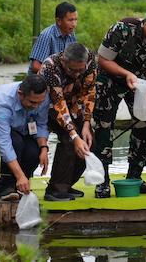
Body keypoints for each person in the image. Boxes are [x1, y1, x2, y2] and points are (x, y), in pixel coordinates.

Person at [92, 4, 146, 198]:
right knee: (104, 127)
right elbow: (103, 60)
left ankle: (134, 178)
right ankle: (101, 181)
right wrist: (126, 73)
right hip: (109, 80)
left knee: (143, 124)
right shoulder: (121, 29)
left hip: (139, 84)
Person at [0, 74, 50, 201]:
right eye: (32, 102)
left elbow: (41, 124)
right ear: (20, 94)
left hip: (19, 129)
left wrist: (43, 148)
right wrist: (19, 176)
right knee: (15, 142)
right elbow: (4, 142)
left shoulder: (42, 97)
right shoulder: (3, 101)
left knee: (34, 150)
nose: (36, 106)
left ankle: (21, 186)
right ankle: (6, 187)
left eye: (39, 102)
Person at [38, 43, 96, 201]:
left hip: (74, 105)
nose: (77, 74)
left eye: (80, 70)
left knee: (89, 140)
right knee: (69, 140)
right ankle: (55, 190)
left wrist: (86, 123)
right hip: (49, 107)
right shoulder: (50, 67)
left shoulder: (90, 60)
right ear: (64, 61)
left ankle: (67, 183)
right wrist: (74, 135)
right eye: (72, 70)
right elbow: (58, 104)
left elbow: (89, 92)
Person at [28, 2, 78, 74]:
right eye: (70, 20)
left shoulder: (71, 34)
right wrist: (57, 75)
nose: (74, 24)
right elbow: (36, 66)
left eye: (75, 20)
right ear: (59, 21)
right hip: (41, 80)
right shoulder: (47, 36)